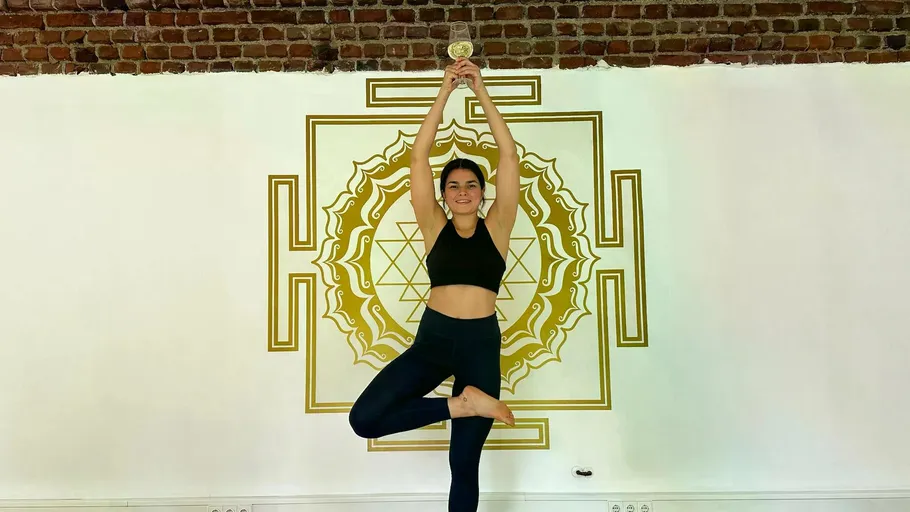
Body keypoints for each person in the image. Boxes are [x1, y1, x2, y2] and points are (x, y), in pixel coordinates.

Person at [348, 57, 521, 512]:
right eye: (454, 186)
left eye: (471, 185)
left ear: (482, 193)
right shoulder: (433, 225)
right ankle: (460, 405)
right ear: (443, 194)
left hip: (480, 345)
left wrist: (479, 89)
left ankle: (468, 404)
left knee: (463, 463)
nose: (462, 191)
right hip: (435, 340)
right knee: (365, 419)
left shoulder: (498, 226)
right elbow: (418, 157)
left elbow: (508, 156)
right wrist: (445, 90)